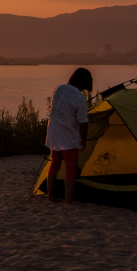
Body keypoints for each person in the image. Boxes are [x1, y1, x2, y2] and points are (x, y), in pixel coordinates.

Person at [45, 68, 92, 203]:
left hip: (54, 132)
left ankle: (50, 195)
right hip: (68, 135)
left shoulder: (58, 89)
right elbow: (83, 123)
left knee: (55, 163)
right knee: (71, 166)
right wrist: (84, 139)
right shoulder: (79, 98)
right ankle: (68, 199)